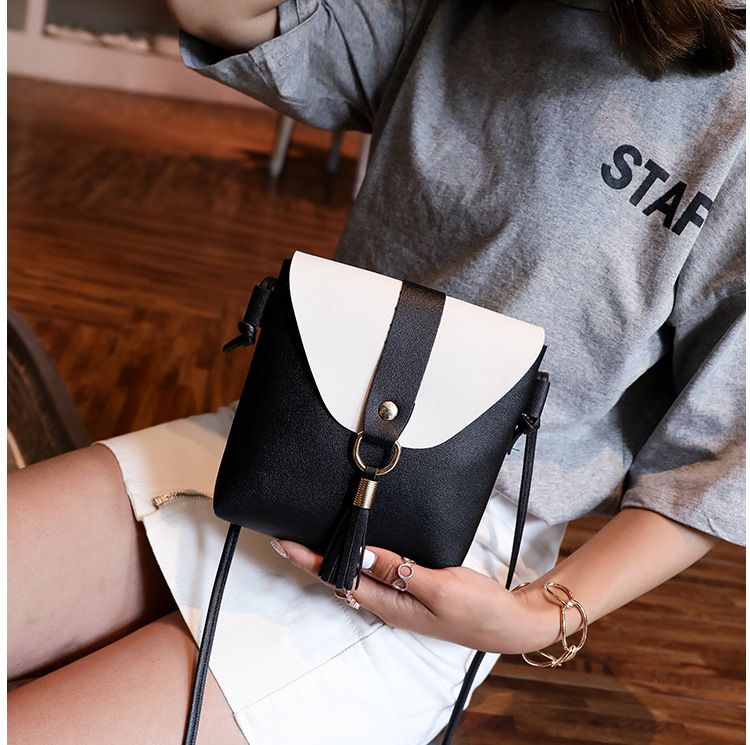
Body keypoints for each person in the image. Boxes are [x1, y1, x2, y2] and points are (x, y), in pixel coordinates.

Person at [8, 1, 745, 743]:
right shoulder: (459, 12)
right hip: (282, 436)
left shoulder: (734, 113)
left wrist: (534, 619)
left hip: (452, 549)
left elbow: (715, 460)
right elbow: (223, 14)